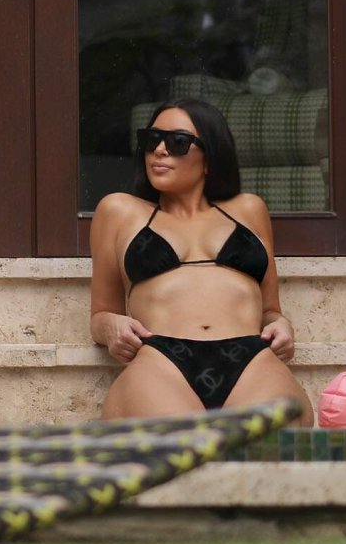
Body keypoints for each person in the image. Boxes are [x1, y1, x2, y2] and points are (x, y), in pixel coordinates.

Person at [90, 99, 312, 422]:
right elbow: (99, 315)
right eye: (152, 140)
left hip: (250, 358)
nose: (160, 150)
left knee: (276, 432)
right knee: (178, 443)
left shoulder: (249, 209)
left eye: (177, 142)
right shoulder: (119, 211)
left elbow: (269, 309)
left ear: (210, 157)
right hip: (162, 360)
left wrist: (281, 324)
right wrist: (111, 326)